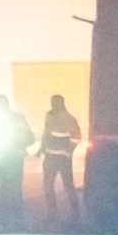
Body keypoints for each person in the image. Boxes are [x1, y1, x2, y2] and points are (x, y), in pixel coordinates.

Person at [0, 94, 31, 230]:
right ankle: (17, 222)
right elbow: (29, 137)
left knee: (1, 193)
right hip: (13, 159)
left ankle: (3, 223)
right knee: (14, 192)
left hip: (1, 161)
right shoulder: (18, 119)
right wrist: (20, 145)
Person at [36, 92, 82, 226]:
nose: (52, 106)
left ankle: (74, 214)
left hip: (61, 158)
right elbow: (46, 134)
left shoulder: (69, 119)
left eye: (54, 103)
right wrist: (42, 149)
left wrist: (67, 152)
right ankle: (53, 214)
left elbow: (76, 139)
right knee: (49, 186)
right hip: (52, 156)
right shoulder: (50, 116)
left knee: (67, 186)